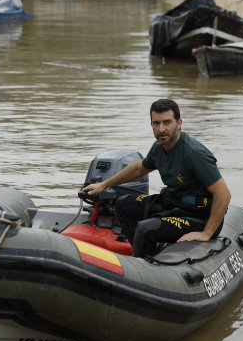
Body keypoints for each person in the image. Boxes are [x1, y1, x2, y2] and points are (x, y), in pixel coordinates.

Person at [82, 98, 231, 257]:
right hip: (174, 203)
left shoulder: (194, 153)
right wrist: (105, 184)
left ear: (179, 123)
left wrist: (206, 233)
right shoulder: (159, 147)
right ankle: (146, 255)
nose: (161, 129)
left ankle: (142, 265)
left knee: (147, 229)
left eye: (167, 122)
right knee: (123, 205)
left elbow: (223, 194)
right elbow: (138, 168)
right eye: (156, 123)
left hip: (198, 216)